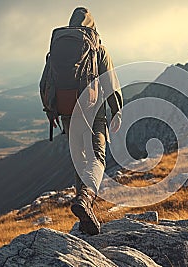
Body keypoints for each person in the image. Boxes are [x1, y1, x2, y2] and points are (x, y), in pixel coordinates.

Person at [40, 7, 123, 235]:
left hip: (67, 112)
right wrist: (117, 112)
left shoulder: (58, 48)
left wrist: (51, 110)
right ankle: (85, 200)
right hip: (93, 112)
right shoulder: (97, 48)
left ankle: (86, 217)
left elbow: (45, 81)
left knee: (80, 160)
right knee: (97, 157)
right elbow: (111, 84)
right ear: (92, 25)